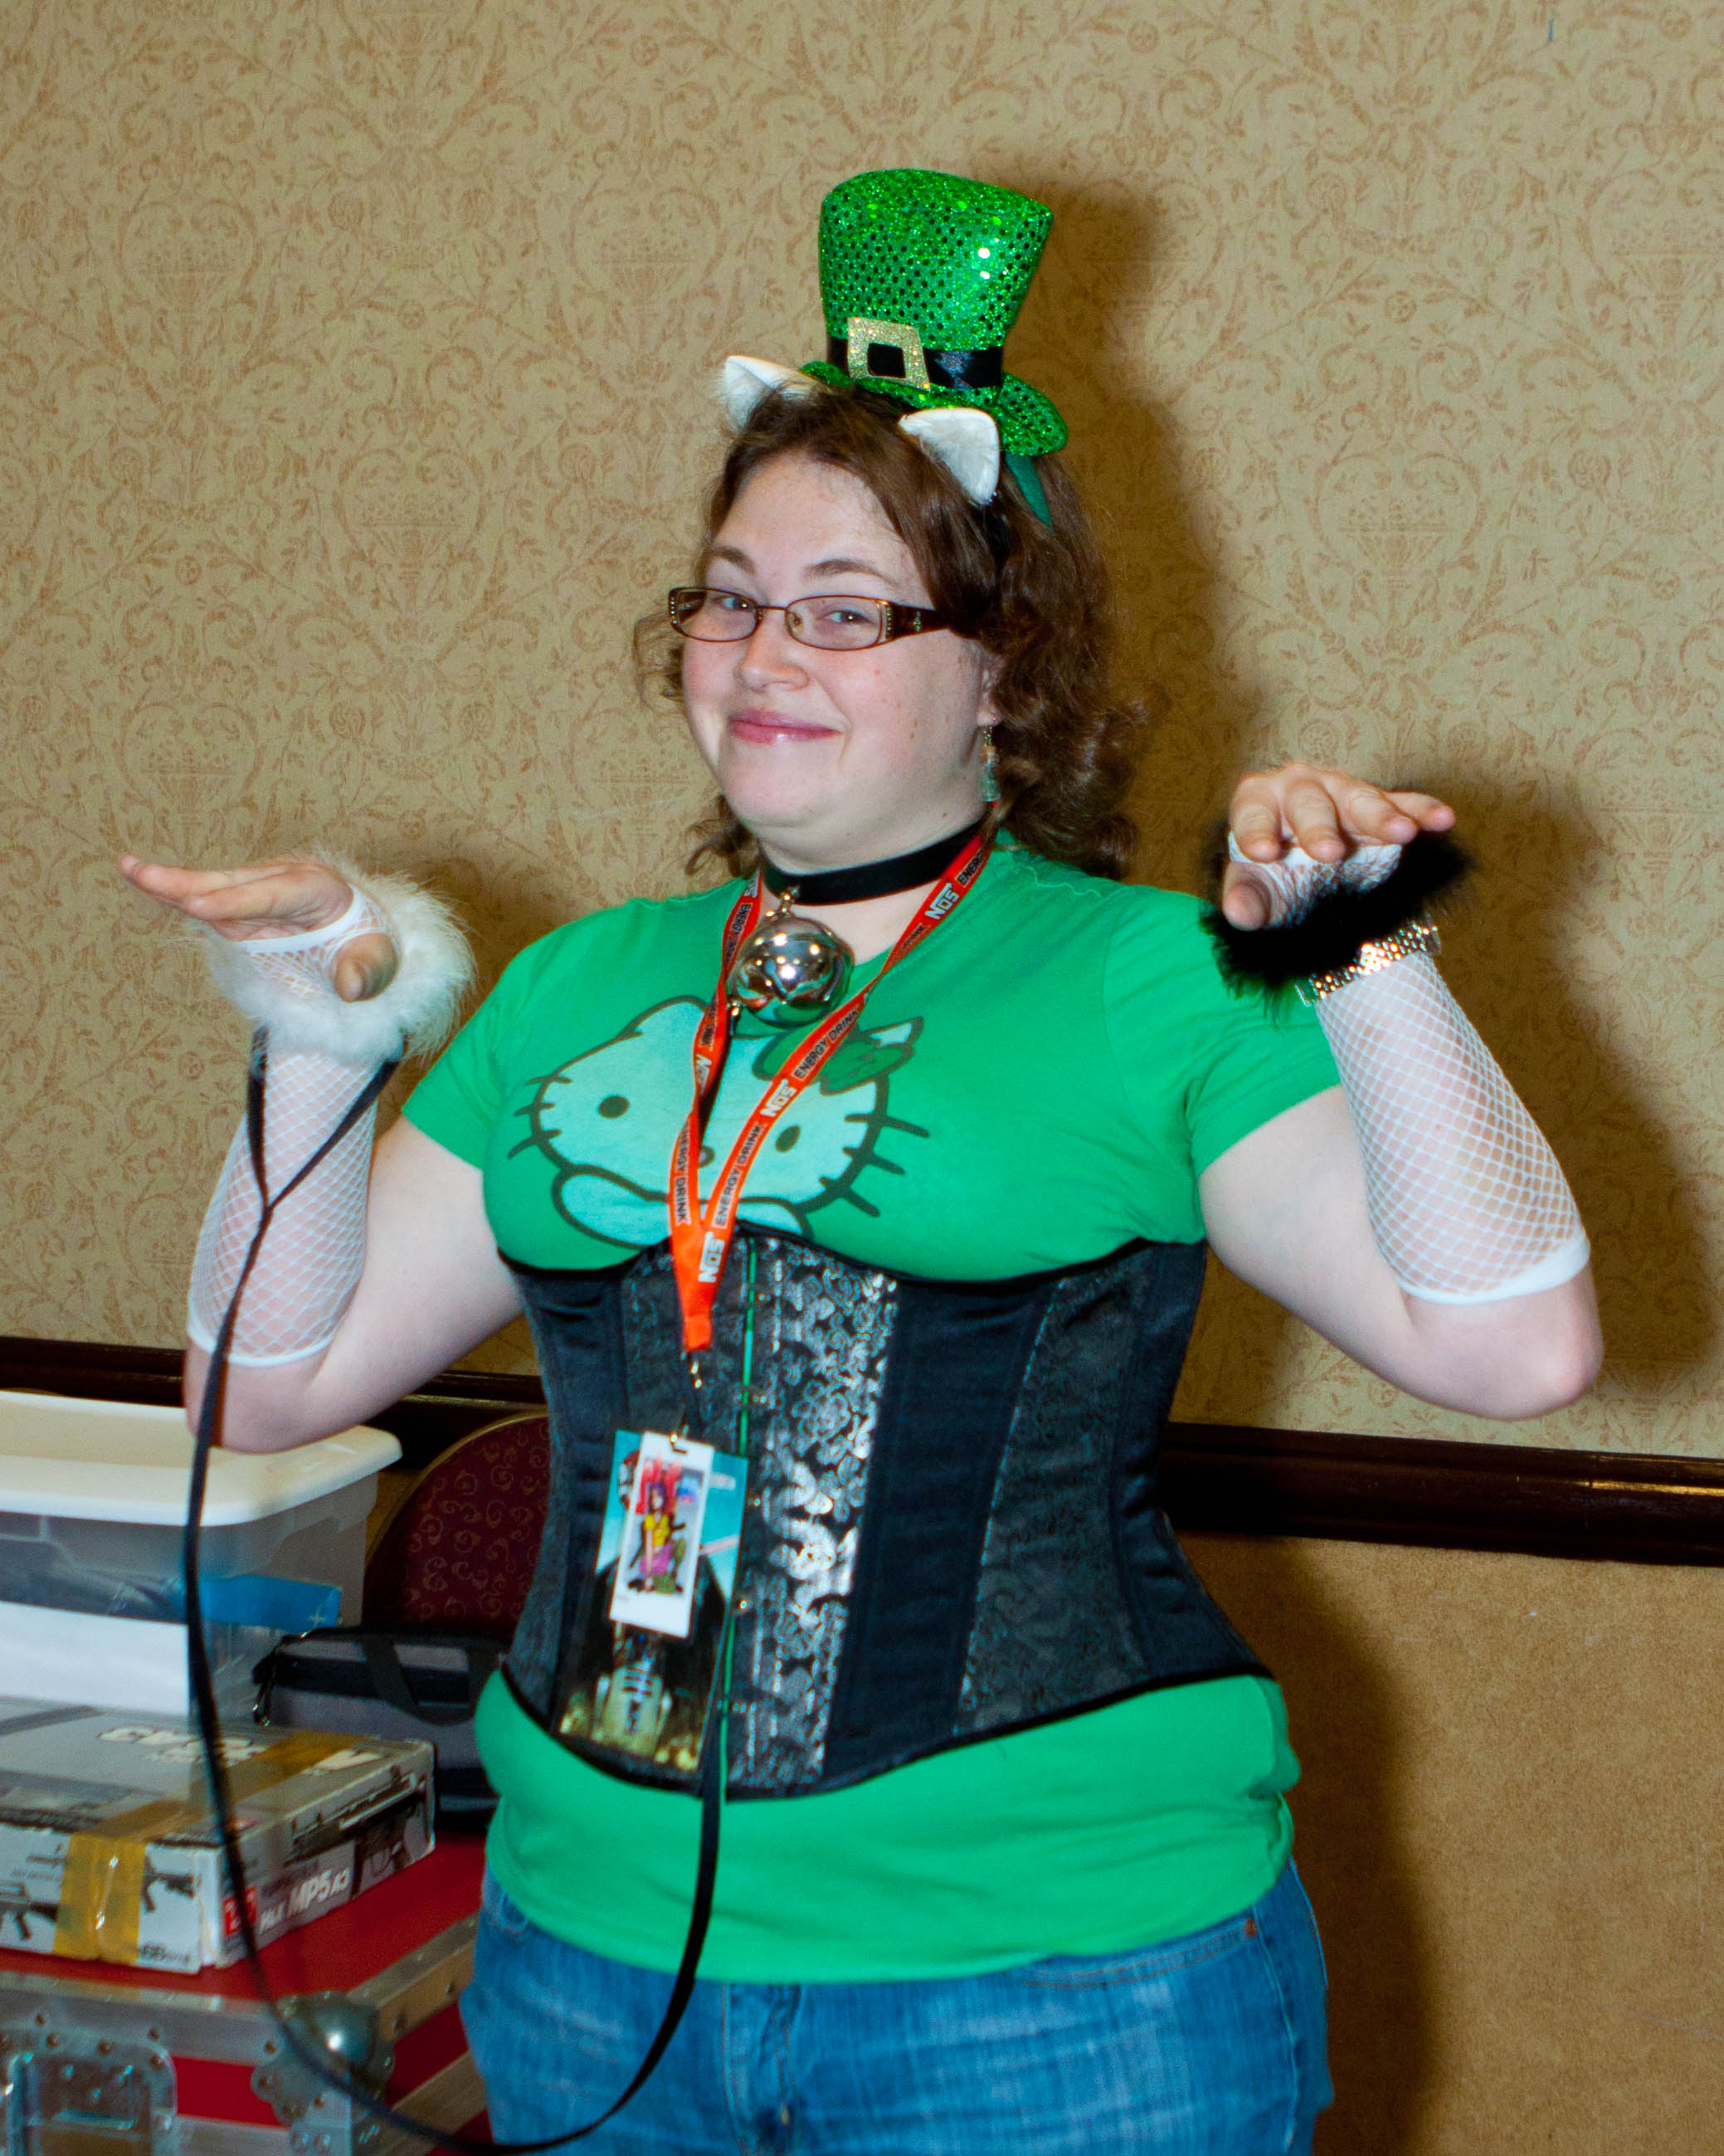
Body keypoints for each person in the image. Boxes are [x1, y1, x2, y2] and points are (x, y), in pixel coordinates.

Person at [119, 169, 1599, 2155]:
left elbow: (1512, 1351)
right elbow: (261, 1384)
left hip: (1058, 1996)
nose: (761, 653)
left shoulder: (1140, 979)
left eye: (843, 610)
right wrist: (318, 1027)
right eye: (729, 597)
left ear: (1001, 665)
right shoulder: (580, 986)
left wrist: (1363, 955)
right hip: (589, 1967)